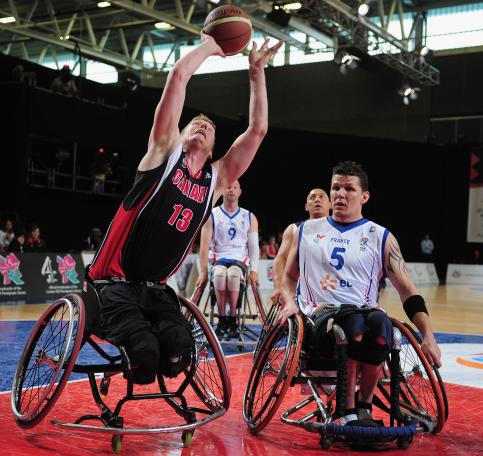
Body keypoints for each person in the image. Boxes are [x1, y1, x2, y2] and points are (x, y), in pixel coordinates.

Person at [87, 35, 281, 385]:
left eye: (209, 128)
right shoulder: (165, 152)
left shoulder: (215, 180)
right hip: (113, 281)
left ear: (213, 152)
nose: (203, 125)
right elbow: (178, 77)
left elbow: (258, 131)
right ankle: (136, 357)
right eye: (195, 123)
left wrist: (256, 73)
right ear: (179, 132)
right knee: (145, 352)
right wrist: (211, 46)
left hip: (157, 288)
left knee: (179, 348)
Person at [277, 161, 441, 428]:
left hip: (364, 314)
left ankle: (363, 406)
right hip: (320, 317)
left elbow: (408, 292)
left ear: (364, 196)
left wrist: (429, 335)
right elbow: (288, 277)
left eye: (349, 189)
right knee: (351, 325)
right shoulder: (306, 231)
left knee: (380, 324)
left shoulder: (380, 236)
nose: (340, 194)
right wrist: (289, 301)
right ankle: (346, 409)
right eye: (336, 188)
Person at [196, 180, 260, 338]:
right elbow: (203, 247)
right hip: (219, 257)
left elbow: (253, 247)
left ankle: (232, 318)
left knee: (232, 275)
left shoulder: (249, 217)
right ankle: (222, 318)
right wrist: (203, 272)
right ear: (222, 190)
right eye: (228, 187)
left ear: (240, 191)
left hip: (239, 258)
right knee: (219, 275)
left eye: (235, 187)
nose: (231, 190)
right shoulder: (212, 215)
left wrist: (254, 271)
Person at [270, 188, 331, 306]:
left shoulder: (340, 231)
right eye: (312, 197)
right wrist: (279, 288)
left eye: (321, 196)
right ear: (306, 206)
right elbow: (280, 259)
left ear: (330, 204)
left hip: (329, 291)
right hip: (298, 292)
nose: (317, 200)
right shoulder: (294, 229)